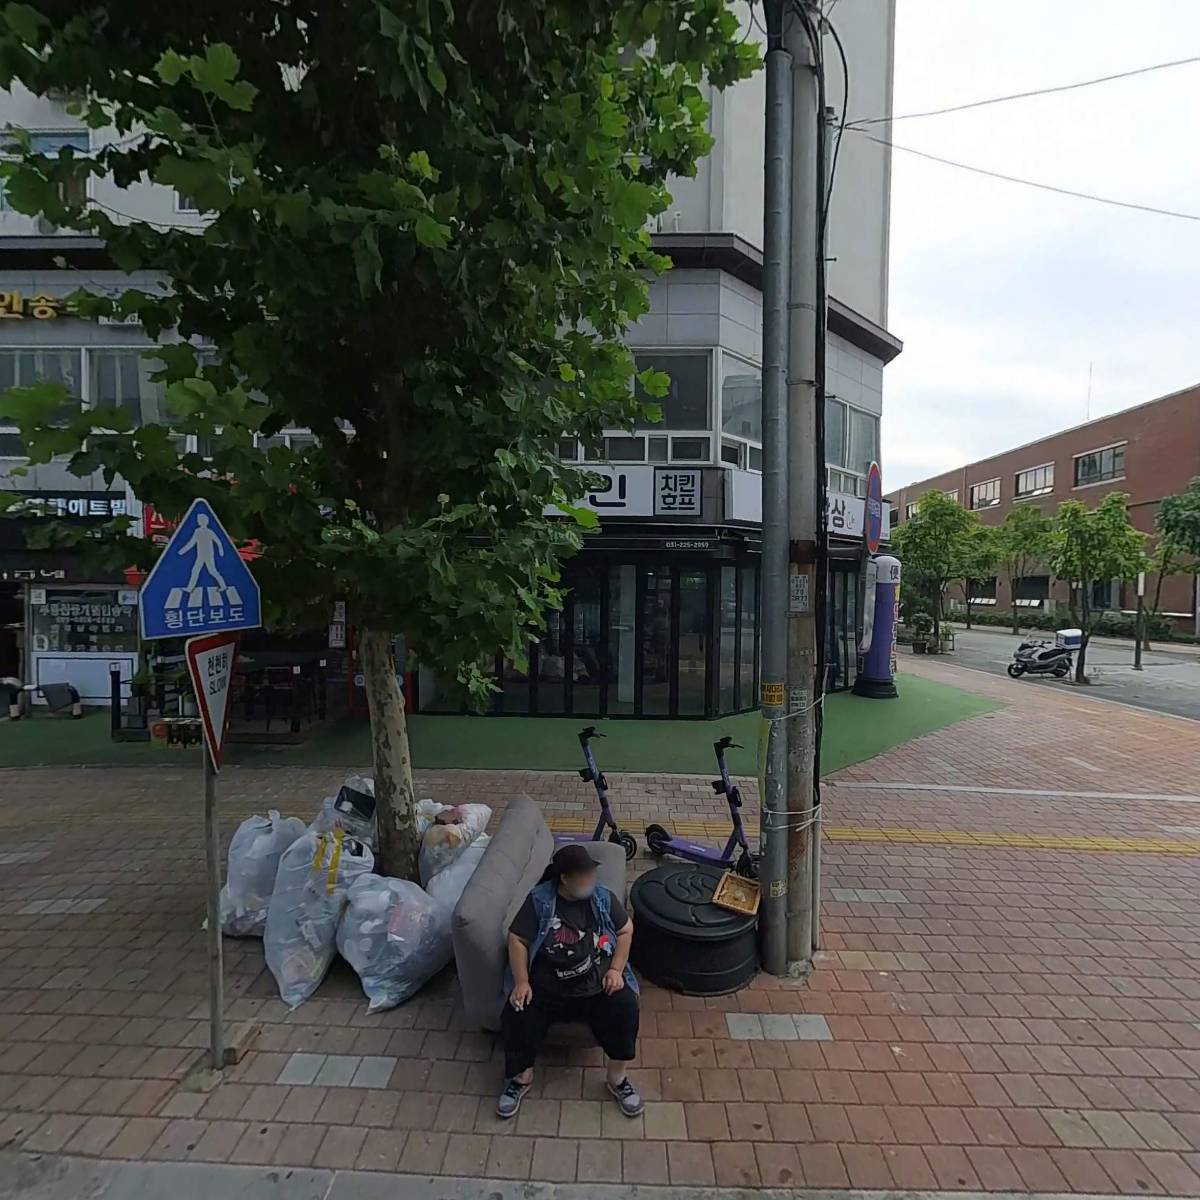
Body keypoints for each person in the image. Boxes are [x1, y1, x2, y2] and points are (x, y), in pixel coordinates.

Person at [497, 843, 641, 1119]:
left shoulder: (601, 898)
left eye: (592, 874)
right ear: (564, 879)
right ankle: (521, 1077)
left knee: (626, 1007)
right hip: (547, 989)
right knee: (516, 1012)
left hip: (596, 987)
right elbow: (517, 939)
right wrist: (522, 981)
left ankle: (617, 1079)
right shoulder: (539, 900)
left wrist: (615, 970)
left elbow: (625, 930)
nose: (591, 880)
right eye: (584, 875)